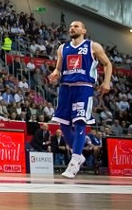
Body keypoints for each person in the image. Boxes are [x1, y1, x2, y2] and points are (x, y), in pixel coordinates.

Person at [49, 20, 112, 179]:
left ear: (84, 30)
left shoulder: (93, 46)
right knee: (63, 125)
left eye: (76, 26)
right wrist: (55, 73)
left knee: (79, 122)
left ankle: (75, 160)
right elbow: (58, 68)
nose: (72, 28)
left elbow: (107, 64)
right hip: (65, 87)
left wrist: (106, 82)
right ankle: (78, 155)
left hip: (83, 87)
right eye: (70, 26)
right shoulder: (62, 48)